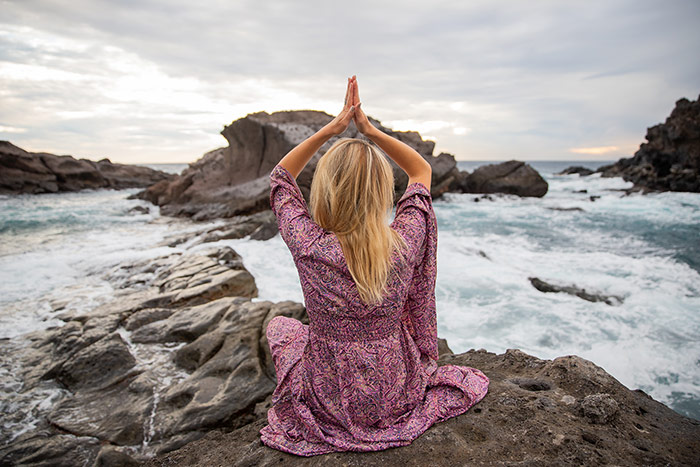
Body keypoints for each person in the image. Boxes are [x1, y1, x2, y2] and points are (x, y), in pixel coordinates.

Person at [260, 76, 489, 456]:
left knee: (282, 327)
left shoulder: (308, 243)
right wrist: (369, 130)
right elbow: (421, 172)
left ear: (325, 190)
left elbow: (281, 178)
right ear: (382, 191)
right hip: (394, 391)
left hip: (328, 396)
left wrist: (333, 129)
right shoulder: (403, 242)